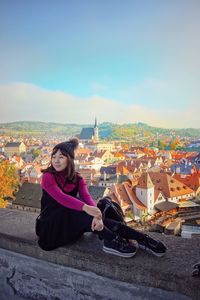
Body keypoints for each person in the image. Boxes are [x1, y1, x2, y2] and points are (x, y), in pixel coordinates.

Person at [36, 138, 167, 258]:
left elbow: (86, 197)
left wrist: (97, 214)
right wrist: (88, 209)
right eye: (54, 157)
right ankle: (111, 238)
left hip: (72, 222)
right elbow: (62, 198)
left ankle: (140, 239)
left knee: (106, 203)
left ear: (69, 159)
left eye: (61, 157)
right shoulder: (48, 177)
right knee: (79, 211)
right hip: (52, 226)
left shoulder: (77, 178)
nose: (56, 160)